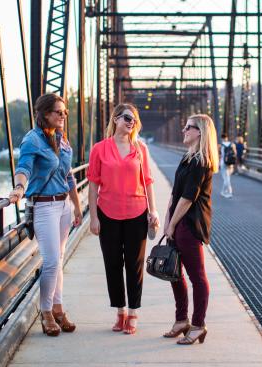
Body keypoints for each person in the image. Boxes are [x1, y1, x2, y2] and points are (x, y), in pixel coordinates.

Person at [8, 93, 83, 337]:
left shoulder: (62, 139)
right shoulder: (33, 140)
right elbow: (24, 167)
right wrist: (19, 188)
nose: (63, 116)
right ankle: (46, 312)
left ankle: (58, 309)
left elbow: (68, 173)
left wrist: (77, 205)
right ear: (44, 114)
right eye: (58, 112)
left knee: (58, 260)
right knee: (51, 261)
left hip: (63, 207)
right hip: (44, 207)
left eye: (65, 112)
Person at [87, 103, 159, 335]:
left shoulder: (140, 149)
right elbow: (92, 186)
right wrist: (93, 217)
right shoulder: (99, 148)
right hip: (107, 214)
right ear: (116, 119)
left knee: (134, 265)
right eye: (127, 118)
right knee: (113, 264)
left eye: (134, 120)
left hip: (137, 213)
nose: (131, 123)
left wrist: (153, 211)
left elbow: (147, 181)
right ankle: (120, 311)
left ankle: (134, 313)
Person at [163, 114, 219, 345]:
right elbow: (175, 194)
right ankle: (181, 321)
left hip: (190, 225)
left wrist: (174, 224)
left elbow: (187, 199)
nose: (184, 129)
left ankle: (198, 325)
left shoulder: (201, 162)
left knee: (197, 277)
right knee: (173, 273)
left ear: (200, 132)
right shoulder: (187, 158)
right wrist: (167, 220)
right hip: (178, 223)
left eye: (188, 127)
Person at [219, 133, 236, 198]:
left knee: (226, 178)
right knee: (227, 177)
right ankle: (224, 191)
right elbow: (235, 154)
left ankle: (229, 192)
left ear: (222, 138)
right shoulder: (232, 144)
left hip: (223, 163)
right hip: (230, 163)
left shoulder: (220, 145)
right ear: (227, 137)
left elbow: (219, 155)